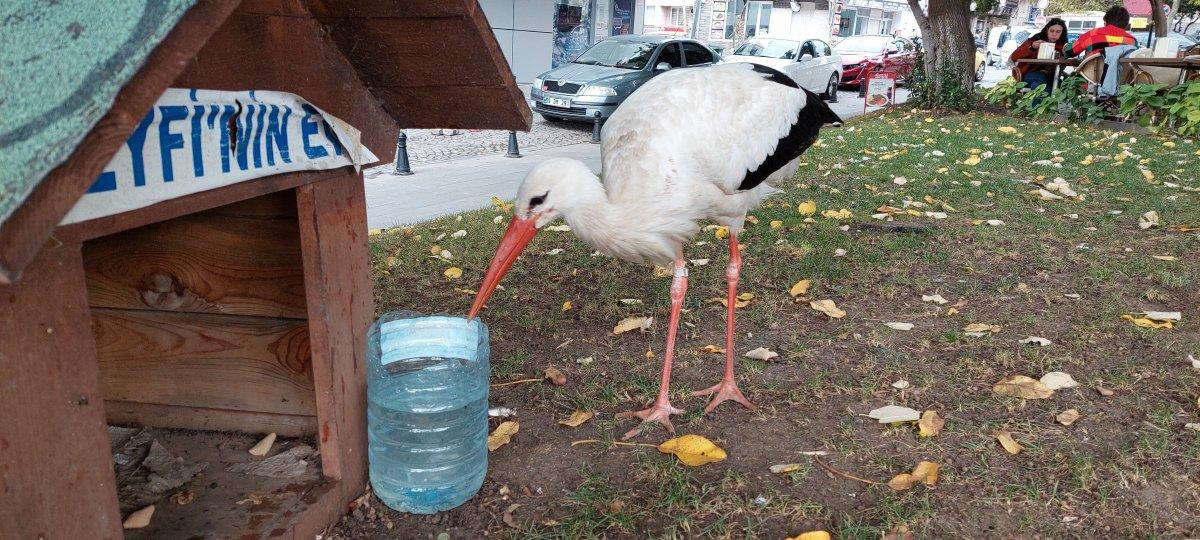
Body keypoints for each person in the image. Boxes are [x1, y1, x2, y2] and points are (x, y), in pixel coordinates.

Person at [1009, 17, 1068, 90]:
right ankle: (1048, 101)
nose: (1054, 34)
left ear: (1062, 33)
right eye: (1052, 31)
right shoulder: (1035, 40)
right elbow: (1014, 56)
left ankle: (1038, 100)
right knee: (1041, 79)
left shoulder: (1062, 46)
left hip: (1050, 75)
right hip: (1027, 74)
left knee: (1063, 84)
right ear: (1047, 30)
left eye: (1058, 32)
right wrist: (1031, 47)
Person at [1065, 6, 1136, 58]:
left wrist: (1066, 46)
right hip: (1120, 78)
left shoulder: (1092, 34)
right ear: (1126, 25)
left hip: (1089, 78)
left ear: (1105, 22)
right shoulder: (1132, 42)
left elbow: (1069, 52)